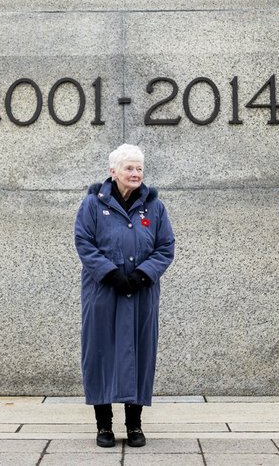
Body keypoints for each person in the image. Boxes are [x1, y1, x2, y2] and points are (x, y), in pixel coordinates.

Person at [74, 144, 175, 449]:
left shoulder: (154, 206)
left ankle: (134, 425)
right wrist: (110, 274)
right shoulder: (93, 204)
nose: (135, 174)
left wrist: (143, 274)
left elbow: (165, 247)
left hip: (141, 293)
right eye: (129, 168)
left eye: (139, 169)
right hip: (103, 291)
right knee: (100, 352)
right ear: (113, 171)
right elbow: (84, 241)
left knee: (139, 353)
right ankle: (103, 425)